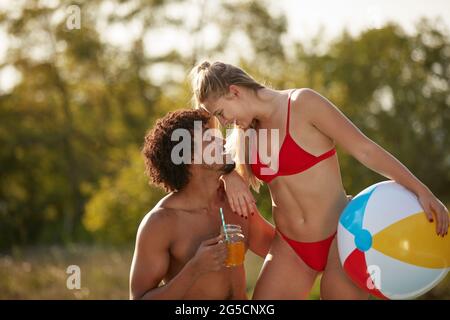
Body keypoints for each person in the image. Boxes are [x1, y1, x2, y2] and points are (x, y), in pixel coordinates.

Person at [189, 61, 449, 299]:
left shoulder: (303, 103)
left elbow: (365, 150)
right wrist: (229, 174)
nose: (224, 122)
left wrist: (421, 190)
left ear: (234, 91)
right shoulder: (246, 133)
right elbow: (230, 180)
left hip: (342, 238)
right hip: (291, 249)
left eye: (221, 113)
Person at [129, 109, 275, 300]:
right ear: (188, 158)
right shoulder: (161, 223)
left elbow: (283, 251)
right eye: (209, 137)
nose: (222, 140)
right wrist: (195, 268)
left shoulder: (235, 203)